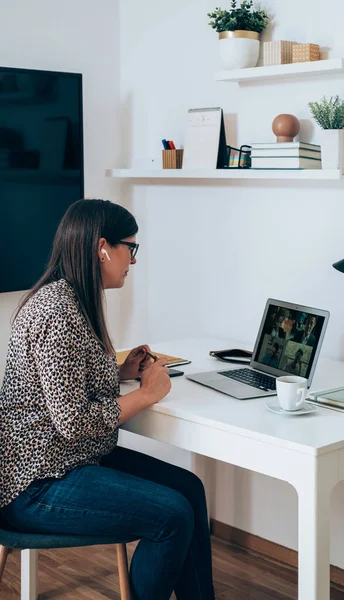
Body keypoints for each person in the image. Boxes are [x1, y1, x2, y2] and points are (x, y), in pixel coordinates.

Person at [0, 199, 215, 600]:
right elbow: (74, 421)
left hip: (73, 458)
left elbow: (62, 386)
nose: (132, 261)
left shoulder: (74, 298)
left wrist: (120, 373)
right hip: (38, 483)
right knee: (171, 516)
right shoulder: (57, 310)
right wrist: (149, 392)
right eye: (130, 248)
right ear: (103, 248)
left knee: (190, 489)